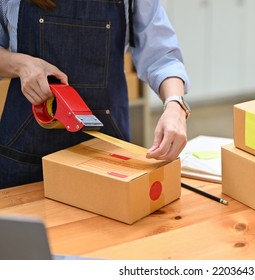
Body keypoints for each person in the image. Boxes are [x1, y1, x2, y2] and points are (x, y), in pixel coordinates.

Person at [0, 0, 191, 188]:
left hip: (108, 155)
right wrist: (21, 65)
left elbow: (161, 56)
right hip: (27, 158)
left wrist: (175, 105)